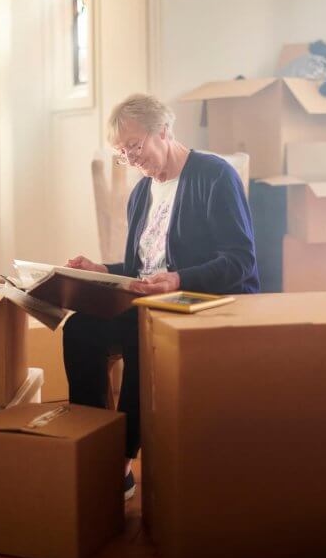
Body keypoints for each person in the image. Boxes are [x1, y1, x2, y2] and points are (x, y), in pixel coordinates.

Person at [63, 93, 259, 500]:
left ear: (165, 131)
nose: (131, 159)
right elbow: (140, 272)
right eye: (122, 153)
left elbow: (240, 262)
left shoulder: (214, 176)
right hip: (156, 300)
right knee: (79, 328)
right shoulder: (141, 194)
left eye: (135, 146)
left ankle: (120, 462)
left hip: (207, 301)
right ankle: (91, 443)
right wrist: (103, 271)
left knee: (138, 332)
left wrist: (179, 279)